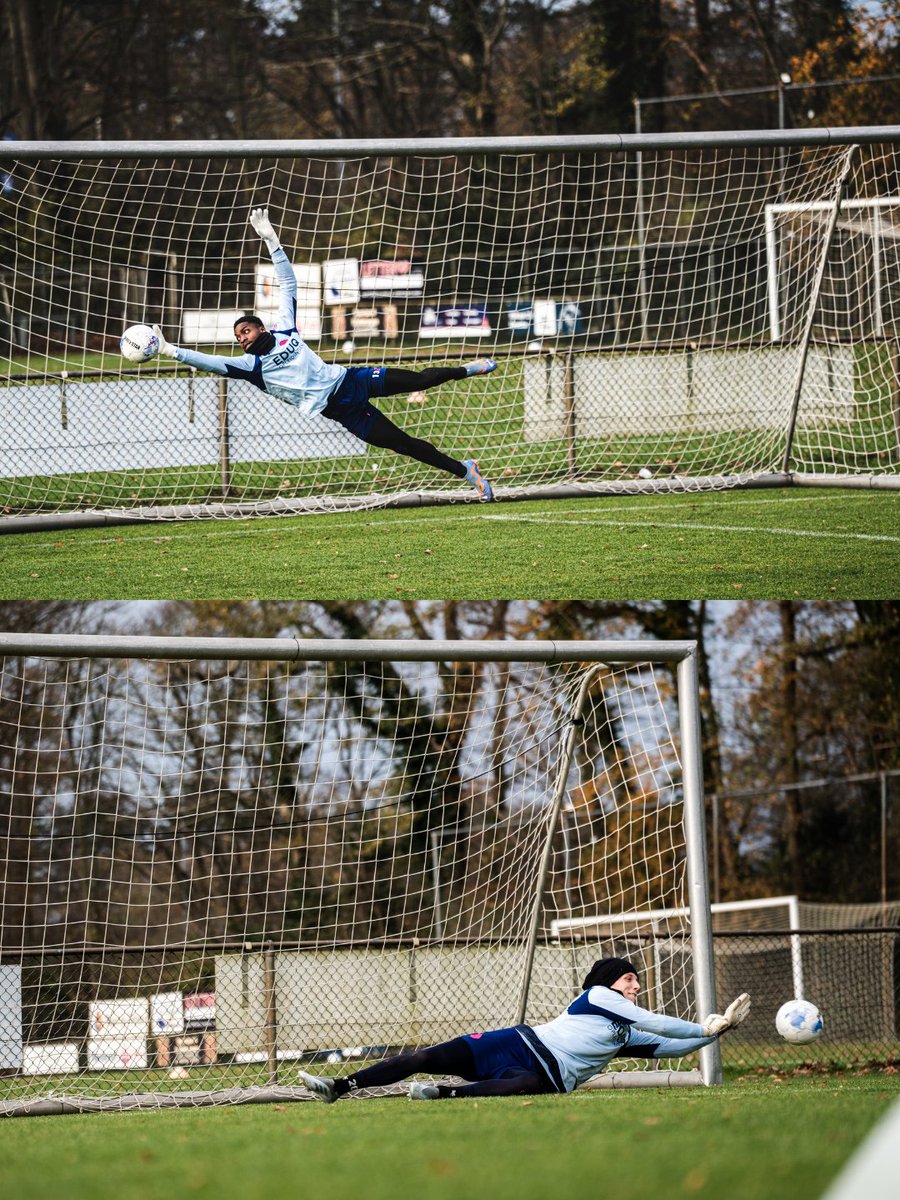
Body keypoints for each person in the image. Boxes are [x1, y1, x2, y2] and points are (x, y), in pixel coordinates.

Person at [151, 209, 496, 501]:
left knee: (421, 379)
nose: (242, 338)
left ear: (263, 329)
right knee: (404, 444)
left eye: (246, 331)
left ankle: (467, 369)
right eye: (238, 336)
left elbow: (288, 282)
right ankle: (467, 471)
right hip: (342, 412)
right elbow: (209, 362)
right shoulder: (250, 367)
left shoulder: (285, 330)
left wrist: (271, 239)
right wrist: (170, 350)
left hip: (352, 380)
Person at [299, 957, 750, 1102]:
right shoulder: (597, 997)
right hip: (518, 1040)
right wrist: (702, 1024)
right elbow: (655, 1022)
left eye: (635, 979)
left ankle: (442, 1094)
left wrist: (716, 1033)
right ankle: (340, 1085)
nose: (636, 984)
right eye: (629, 977)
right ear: (609, 981)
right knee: (423, 1057)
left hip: (550, 1074)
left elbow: (668, 1049)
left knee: (523, 1085)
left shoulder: (624, 1035)